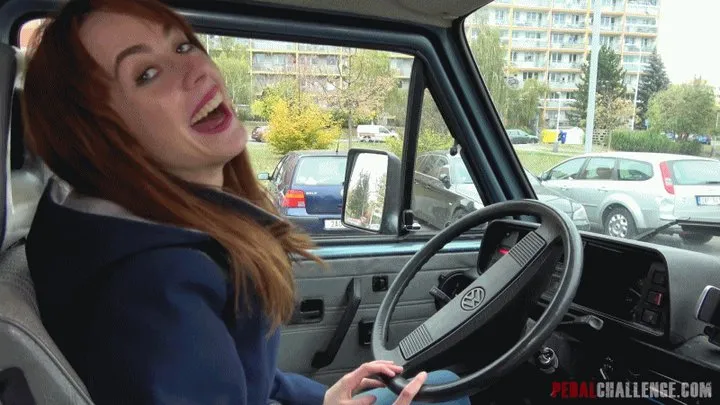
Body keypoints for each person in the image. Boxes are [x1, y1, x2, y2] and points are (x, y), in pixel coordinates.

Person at [21, 0, 472, 404]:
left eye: (182, 47)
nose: (197, 70)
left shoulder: (144, 238)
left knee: (445, 382)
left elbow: (243, 380)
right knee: (453, 391)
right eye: (146, 74)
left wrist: (324, 400)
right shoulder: (155, 287)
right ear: (100, 139)